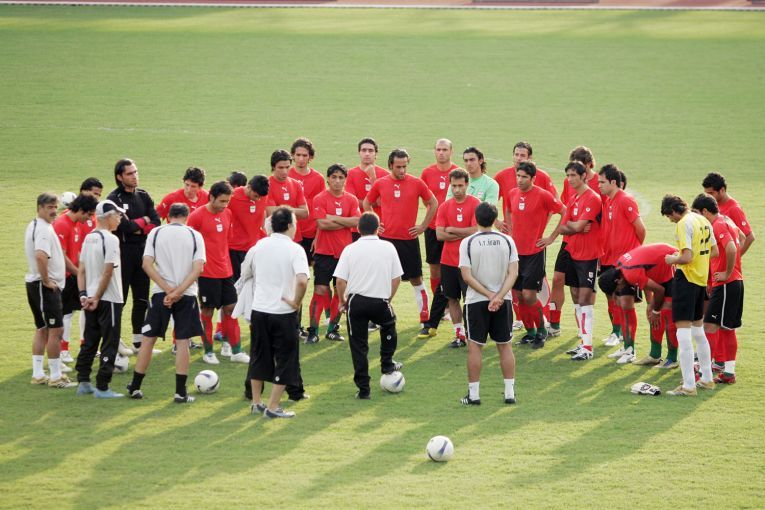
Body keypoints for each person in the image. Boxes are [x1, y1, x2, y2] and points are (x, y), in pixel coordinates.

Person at [126, 203, 206, 402]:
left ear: (168, 216)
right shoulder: (195, 235)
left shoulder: (156, 232)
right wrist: (178, 291)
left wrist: (168, 290)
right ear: (187, 216)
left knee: (148, 339)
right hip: (187, 294)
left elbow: (147, 264)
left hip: (161, 294)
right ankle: (180, 392)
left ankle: (135, 386)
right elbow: (198, 269)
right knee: (182, 342)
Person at [363, 148, 438, 324]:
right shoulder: (381, 183)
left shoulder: (417, 183)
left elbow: (433, 203)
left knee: (416, 279)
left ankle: (424, 318)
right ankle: (379, 316)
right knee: (383, 279)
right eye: (398, 167)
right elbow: (367, 203)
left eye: (405, 166)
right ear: (391, 165)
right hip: (386, 240)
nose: (402, 170)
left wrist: (423, 226)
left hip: (408, 240)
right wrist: (376, 224)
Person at [247, 208, 310, 418]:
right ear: (290, 225)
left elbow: (247, 273)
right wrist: (296, 302)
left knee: (258, 356)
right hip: (283, 311)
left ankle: (256, 402)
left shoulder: (259, 246)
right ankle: (273, 407)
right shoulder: (295, 249)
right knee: (285, 359)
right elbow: (302, 281)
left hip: (259, 309)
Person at [334, 212, 404, 399]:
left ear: (358, 228)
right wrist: (388, 299)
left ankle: (364, 390)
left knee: (358, 346)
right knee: (389, 325)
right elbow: (396, 278)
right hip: (380, 301)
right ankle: (387, 363)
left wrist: (342, 301)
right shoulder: (388, 247)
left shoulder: (350, 249)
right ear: (378, 228)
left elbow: (340, 281)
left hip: (356, 302)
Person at [458, 202, 519, 406]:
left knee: (475, 346)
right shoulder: (507, 241)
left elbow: (467, 276)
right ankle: (509, 393)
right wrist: (499, 296)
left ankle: (474, 395)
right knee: (505, 346)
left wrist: (489, 295)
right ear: (495, 219)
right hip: (504, 301)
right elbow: (513, 273)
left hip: (476, 301)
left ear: (476, 218)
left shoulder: (467, 242)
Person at [661, 194, 718, 396]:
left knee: (683, 334)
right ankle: (707, 379)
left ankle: (688, 385)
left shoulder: (683, 223)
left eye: (670, 216)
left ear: (674, 211)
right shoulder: (703, 220)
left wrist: (671, 259)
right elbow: (714, 251)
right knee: (698, 332)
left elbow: (686, 257)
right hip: (700, 281)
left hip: (686, 280)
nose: (671, 220)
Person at [187, 181, 248, 364]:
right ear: (211, 197)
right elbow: (189, 245)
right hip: (206, 273)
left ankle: (236, 351)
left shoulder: (227, 213)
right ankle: (208, 352)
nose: (225, 205)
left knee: (231, 308)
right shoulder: (197, 216)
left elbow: (225, 241)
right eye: (222, 201)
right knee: (207, 311)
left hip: (225, 271)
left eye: (227, 201)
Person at [507, 161, 565, 349]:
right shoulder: (512, 193)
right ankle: (530, 332)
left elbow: (564, 211)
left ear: (533, 178)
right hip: (516, 254)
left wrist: (551, 237)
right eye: (518, 176)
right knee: (519, 295)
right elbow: (508, 210)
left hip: (534, 253)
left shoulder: (543, 195)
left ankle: (542, 330)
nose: (520, 180)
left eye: (524, 177)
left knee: (529, 295)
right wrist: (509, 232)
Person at [107, 158, 161, 353]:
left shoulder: (143, 196)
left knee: (142, 299)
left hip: (142, 253)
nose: (134, 176)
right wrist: (143, 222)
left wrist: (139, 226)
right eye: (130, 173)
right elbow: (125, 227)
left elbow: (156, 222)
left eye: (135, 172)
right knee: (119, 300)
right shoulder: (113, 199)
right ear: (119, 177)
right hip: (122, 254)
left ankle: (138, 343)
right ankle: (114, 341)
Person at [597, 243, 679, 367]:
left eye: (617, 290)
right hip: (662, 269)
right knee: (654, 314)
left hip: (672, 266)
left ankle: (672, 359)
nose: (620, 292)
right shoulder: (621, 266)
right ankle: (655, 356)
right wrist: (651, 305)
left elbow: (659, 290)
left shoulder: (631, 274)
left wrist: (655, 310)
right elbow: (646, 273)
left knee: (666, 313)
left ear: (618, 281)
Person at [75, 200, 126, 398]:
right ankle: (103, 387)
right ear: (108, 216)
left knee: (90, 341)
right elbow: (108, 272)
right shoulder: (111, 239)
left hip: (90, 298)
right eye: (118, 215)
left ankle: (83, 382)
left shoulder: (89, 238)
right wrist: (97, 296)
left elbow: (81, 270)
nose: (120, 218)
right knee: (109, 342)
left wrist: (84, 294)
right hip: (109, 298)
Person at [549, 146, 601, 336]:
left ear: (587, 167)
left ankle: (585, 331)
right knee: (559, 279)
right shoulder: (569, 183)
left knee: (586, 288)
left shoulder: (599, 184)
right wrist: (572, 227)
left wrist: (579, 225)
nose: (570, 178)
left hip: (590, 245)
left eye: (576, 172)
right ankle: (554, 324)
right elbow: (567, 217)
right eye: (569, 173)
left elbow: (602, 216)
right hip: (569, 242)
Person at [692, 194, 743, 385]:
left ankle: (703, 372)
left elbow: (731, 248)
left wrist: (727, 272)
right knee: (727, 329)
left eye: (697, 213)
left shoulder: (717, 225)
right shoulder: (727, 220)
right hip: (735, 283)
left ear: (705, 211)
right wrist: (734, 267)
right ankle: (728, 373)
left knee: (709, 327)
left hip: (726, 284)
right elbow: (742, 238)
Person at [306, 164, 361, 344]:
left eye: (341, 177)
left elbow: (357, 221)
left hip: (345, 254)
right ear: (328, 179)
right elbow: (321, 224)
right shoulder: (320, 198)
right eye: (334, 177)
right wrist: (345, 222)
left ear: (345, 180)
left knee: (340, 291)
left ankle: (332, 329)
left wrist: (332, 217)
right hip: (324, 253)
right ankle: (313, 331)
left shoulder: (351, 199)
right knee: (320, 290)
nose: (337, 181)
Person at [25, 193, 73, 388]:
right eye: (49, 207)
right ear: (39, 208)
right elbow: (40, 255)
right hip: (43, 286)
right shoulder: (43, 229)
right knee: (56, 330)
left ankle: (38, 374)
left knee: (43, 329)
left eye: (55, 207)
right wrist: (46, 281)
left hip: (36, 284)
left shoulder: (36, 225)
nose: (53, 211)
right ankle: (55, 376)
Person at [597, 164, 646, 355]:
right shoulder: (609, 201)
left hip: (626, 262)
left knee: (625, 303)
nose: (599, 185)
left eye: (602, 182)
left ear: (613, 182)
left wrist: (633, 254)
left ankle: (629, 348)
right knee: (615, 300)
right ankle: (619, 338)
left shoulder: (625, 200)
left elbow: (641, 229)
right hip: (610, 259)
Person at [558, 161, 602, 360]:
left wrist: (574, 226)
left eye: (573, 175)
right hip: (573, 252)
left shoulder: (592, 198)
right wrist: (576, 226)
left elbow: (573, 227)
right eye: (568, 175)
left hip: (588, 256)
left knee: (585, 298)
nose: (570, 179)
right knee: (576, 295)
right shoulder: (574, 198)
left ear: (584, 176)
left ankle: (588, 347)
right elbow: (563, 227)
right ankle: (583, 341)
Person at [418, 138, 460, 340]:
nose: (441, 152)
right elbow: (424, 199)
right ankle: (441, 308)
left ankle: (450, 306)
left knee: (453, 268)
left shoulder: (458, 172)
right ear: (434, 151)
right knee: (435, 269)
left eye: (445, 149)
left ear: (451, 151)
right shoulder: (427, 173)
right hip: (434, 228)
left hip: (453, 230)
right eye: (438, 149)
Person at [265, 149, 310, 338]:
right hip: (274, 242)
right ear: (273, 167)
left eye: (287, 167)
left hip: (295, 241)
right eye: (280, 168)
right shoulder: (268, 184)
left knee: (297, 283)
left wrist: (283, 209)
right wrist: (292, 210)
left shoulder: (295, 184)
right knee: (275, 283)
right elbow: (270, 211)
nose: (284, 171)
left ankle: (296, 326)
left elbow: (305, 212)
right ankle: (273, 324)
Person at [434, 169, 480, 348]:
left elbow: (475, 231)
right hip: (448, 261)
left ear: (467, 184)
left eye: (460, 185)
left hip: (469, 262)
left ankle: (472, 333)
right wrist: (463, 233)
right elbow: (439, 235)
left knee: (470, 299)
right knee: (452, 298)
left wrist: (452, 229)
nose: (457, 190)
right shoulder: (444, 206)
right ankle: (459, 334)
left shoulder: (476, 204)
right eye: (454, 186)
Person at [53, 194, 98, 365]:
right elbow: (60, 255)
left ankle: (73, 348)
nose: (90, 218)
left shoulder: (76, 224)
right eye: (89, 214)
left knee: (73, 311)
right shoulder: (62, 224)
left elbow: (76, 252)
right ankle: (61, 352)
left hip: (72, 275)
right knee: (62, 316)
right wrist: (78, 272)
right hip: (62, 277)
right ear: (81, 210)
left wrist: (82, 271)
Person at [495, 141, 558, 223]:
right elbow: (489, 201)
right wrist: (496, 222)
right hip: (510, 230)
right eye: (516, 154)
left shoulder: (543, 176)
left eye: (522, 155)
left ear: (529, 158)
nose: (518, 158)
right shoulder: (502, 176)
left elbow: (555, 202)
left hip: (533, 229)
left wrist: (543, 224)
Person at [288, 137, 326, 264]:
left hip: (311, 232)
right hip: (291, 231)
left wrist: (318, 236)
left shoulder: (318, 178)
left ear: (311, 157)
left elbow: (322, 208)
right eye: (298, 155)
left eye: (304, 155)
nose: (301, 159)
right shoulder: (286, 176)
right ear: (292, 155)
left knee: (314, 267)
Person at [702, 172, 755, 256]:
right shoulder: (712, 205)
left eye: (711, 193)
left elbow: (749, 237)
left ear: (722, 190)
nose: (708, 196)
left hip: (724, 262)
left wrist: (734, 259)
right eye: (706, 193)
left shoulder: (734, 209)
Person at [346, 137, 389, 239]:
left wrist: (372, 178)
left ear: (376, 154)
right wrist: (371, 202)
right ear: (359, 153)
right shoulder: (350, 174)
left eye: (370, 151)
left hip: (380, 227)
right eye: (364, 150)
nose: (367, 154)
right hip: (357, 227)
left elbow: (381, 202)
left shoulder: (385, 175)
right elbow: (352, 202)